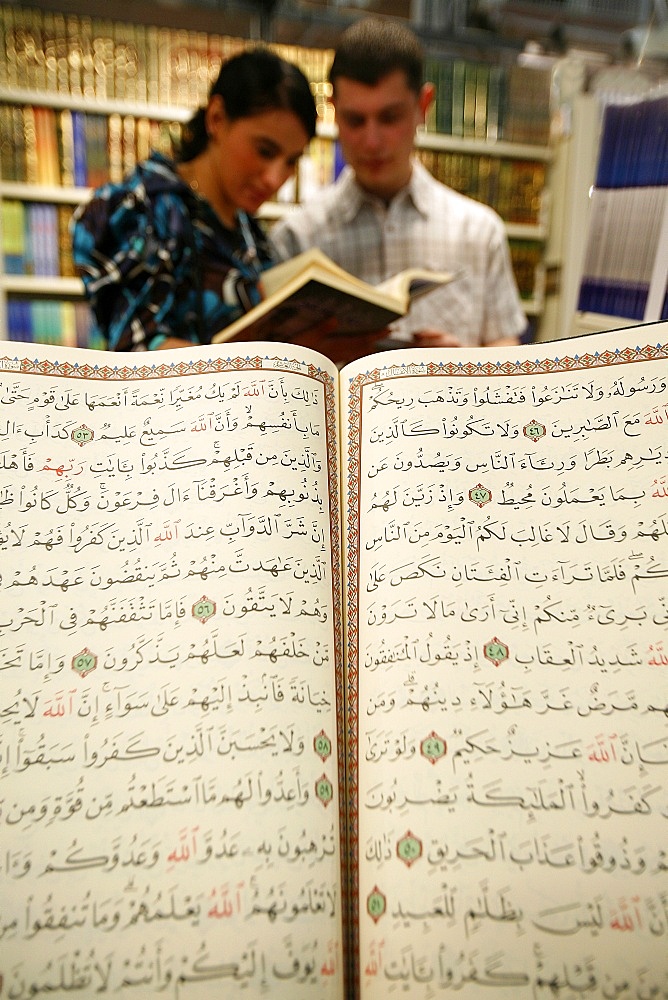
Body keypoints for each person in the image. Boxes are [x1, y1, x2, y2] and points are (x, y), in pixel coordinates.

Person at [271, 17, 528, 352]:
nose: (372, 141)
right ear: (333, 112)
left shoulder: (479, 232)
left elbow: (505, 346)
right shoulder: (295, 239)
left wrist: (467, 367)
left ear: (423, 106)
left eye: (390, 117)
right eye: (355, 120)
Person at [72, 47, 317, 352]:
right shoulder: (142, 209)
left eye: (291, 161)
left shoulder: (252, 237)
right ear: (216, 118)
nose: (275, 178)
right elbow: (135, 349)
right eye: (265, 151)